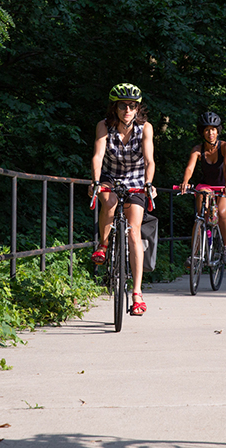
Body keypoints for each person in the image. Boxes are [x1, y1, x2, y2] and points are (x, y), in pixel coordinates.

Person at [89, 83, 156, 316]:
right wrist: (96, 181)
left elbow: (149, 160)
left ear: (138, 108)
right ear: (114, 108)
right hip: (110, 177)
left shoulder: (145, 128)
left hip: (136, 180)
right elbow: (98, 155)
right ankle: (104, 244)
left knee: (134, 232)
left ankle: (137, 294)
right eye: (122, 106)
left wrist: (148, 184)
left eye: (132, 106)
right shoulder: (104, 126)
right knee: (107, 202)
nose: (127, 110)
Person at [178, 111, 226, 265]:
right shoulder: (198, 149)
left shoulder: (225, 146)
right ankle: (196, 253)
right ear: (202, 132)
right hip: (207, 186)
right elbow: (190, 167)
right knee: (200, 216)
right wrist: (185, 181)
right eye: (207, 129)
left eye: (213, 129)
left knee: (221, 212)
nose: (210, 132)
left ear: (218, 130)